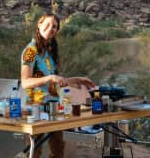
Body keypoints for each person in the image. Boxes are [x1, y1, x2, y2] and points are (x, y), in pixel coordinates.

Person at [21, 13, 95, 158]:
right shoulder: (30, 51)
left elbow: (56, 82)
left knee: (58, 150)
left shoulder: (49, 52)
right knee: (33, 151)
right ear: (39, 25)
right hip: (36, 109)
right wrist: (50, 77)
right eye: (47, 24)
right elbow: (25, 82)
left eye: (54, 26)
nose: (51, 28)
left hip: (55, 108)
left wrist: (77, 80)